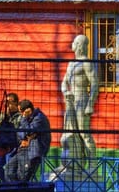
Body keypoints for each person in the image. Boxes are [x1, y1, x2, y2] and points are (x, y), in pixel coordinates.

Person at [61, 34, 99, 165]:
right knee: (71, 133)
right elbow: (64, 82)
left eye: (75, 43)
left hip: (82, 99)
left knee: (84, 133)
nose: (73, 45)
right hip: (71, 102)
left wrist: (90, 104)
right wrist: (66, 91)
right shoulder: (71, 63)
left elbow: (94, 83)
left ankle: (92, 165)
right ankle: (77, 163)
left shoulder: (86, 63)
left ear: (79, 46)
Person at [6, 100, 52, 182]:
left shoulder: (39, 118)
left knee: (23, 176)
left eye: (21, 112)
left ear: (28, 110)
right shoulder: (28, 119)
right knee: (9, 170)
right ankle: (13, 191)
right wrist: (26, 137)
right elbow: (20, 133)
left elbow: (27, 131)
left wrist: (24, 120)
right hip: (22, 149)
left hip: (33, 152)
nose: (20, 114)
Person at [0, 92, 21, 182]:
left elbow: (19, 129)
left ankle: (11, 186)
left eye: (9, 102)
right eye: (6, 102)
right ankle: (7, 183)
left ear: (15, 103)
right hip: (2, 145)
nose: (7, 104)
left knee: (9, 169)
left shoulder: (19, 116)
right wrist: (3, 117)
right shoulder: (3, 115)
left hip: (13, 146)